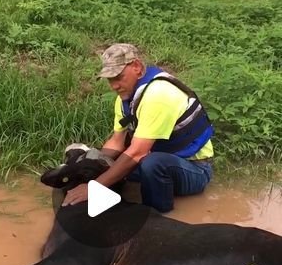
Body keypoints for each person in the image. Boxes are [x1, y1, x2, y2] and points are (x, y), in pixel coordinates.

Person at [63, 43, 214, 213]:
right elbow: (116, 142)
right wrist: (92, 161)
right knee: (107, 165)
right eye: (110, 79)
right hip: (156, 157)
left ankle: (157, 215)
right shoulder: (125, 99)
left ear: (137, 66)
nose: (114, 85)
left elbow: (137, 152)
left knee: (152, 163)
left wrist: (94, 187)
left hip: (195, 168)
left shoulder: (159, 94)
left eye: (118, 77)